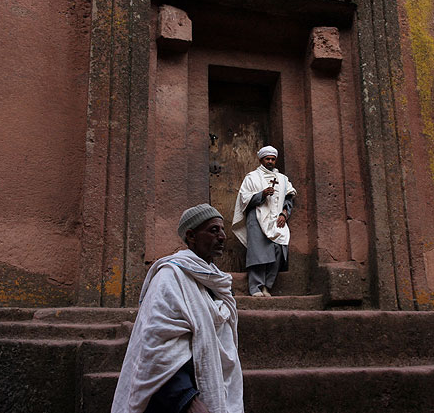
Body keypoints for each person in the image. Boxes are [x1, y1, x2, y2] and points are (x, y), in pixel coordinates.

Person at [111, 204, 243, 413]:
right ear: (191, 236)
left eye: (223, 230)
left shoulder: (217, 283)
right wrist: (188, 400)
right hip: (174, 400)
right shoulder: (169, 277)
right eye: (213, 230)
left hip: (213, 389)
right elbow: (157, 345)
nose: (222, 237)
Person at [232, 146, 297, 297]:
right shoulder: (252, 177)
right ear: (261, 160)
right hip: (256, 218)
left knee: (278, 250)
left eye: (272, 159)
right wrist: (262, 194)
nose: (270, 162)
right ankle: (255, 288)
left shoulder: (282, 179)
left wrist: (284, 214)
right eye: (267, 159)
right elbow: (244, 199)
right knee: (259, 253)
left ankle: (267, 286)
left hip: (277, 220)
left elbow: (288, 198)